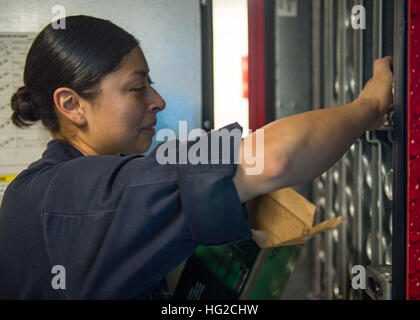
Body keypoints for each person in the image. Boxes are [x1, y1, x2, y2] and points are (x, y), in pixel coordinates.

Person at [0, 15, 393, 299]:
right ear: (71, 104)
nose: (158, 101)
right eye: (137, 88)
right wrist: (368, 106)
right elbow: (272, 159)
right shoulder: (71, 194)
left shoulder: (29, 193)